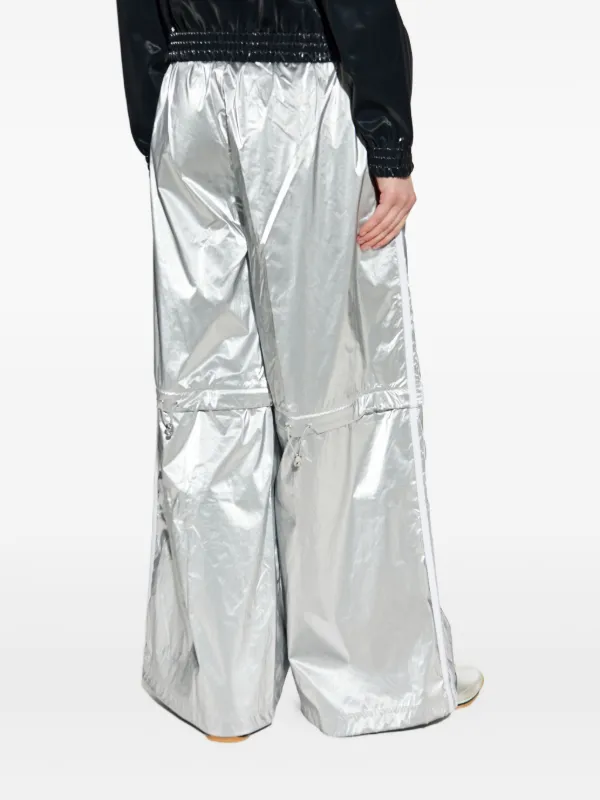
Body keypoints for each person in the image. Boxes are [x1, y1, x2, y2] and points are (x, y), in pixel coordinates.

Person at [116, 0, 483, 742]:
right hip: (299, 95)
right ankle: (371, 679)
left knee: (210, 394)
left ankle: (223, 687)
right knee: (338, 393)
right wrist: (389, 143)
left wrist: (161, 118)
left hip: (186, 95)